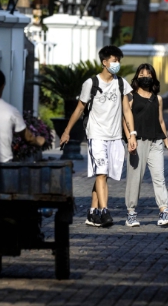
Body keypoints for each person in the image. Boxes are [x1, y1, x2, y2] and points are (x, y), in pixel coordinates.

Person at [60, 45, 137, 228]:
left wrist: (132, 134)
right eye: (114, 60)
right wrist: (66, 131)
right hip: (96, 135)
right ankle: (104, 212)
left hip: (115, 136)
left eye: (118, 60)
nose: (117, 63)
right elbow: (79, 108)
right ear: (104, 62)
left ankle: (92, 213)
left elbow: (127, 110)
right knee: (101, 172)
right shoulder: (91, 83)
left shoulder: (121, 83)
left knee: (104, 175)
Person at [123, 64, 168, 227]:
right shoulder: (130, 97)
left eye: (148, 74)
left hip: (156, 142)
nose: (145, 77)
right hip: (137, 141)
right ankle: (131, 214)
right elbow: (125, 119)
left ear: (153, 77)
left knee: (159, 178)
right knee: (135, 179)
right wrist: (129, 138)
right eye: (141, 74)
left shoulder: (158, 99)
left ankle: (164, 211)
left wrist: (167, 143)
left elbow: (161, 121)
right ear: (136, 77)